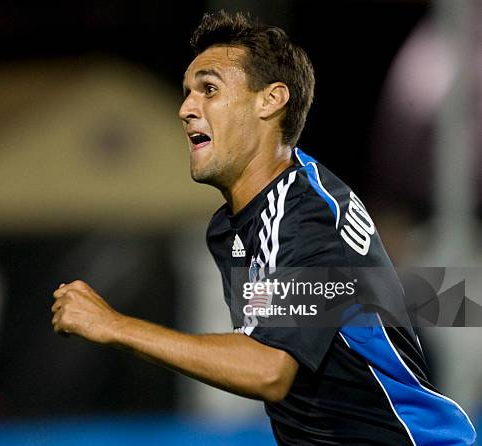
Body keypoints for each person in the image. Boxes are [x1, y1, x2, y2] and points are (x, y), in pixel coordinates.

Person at [51, 11, 476, 445]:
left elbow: (268, 370)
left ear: (270, 100)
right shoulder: (239, 225)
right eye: (186, 93)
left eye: (209, 90)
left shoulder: (302, 215)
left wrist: (114, 325)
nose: (185, 109)